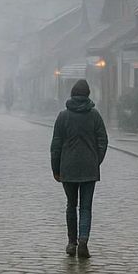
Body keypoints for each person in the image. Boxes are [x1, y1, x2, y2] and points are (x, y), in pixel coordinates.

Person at [50, 79, 109, 259]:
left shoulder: (63, 116)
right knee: (85, 207)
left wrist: (56, 168)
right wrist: (96, 160)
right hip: (89, 169)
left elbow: (56, 145)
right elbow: (103, 141)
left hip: (68, 167)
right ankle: (83, 241)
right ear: (88, 95)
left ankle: (71, 242)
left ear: (72, 94)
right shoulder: (95, 116)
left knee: (71, 205)